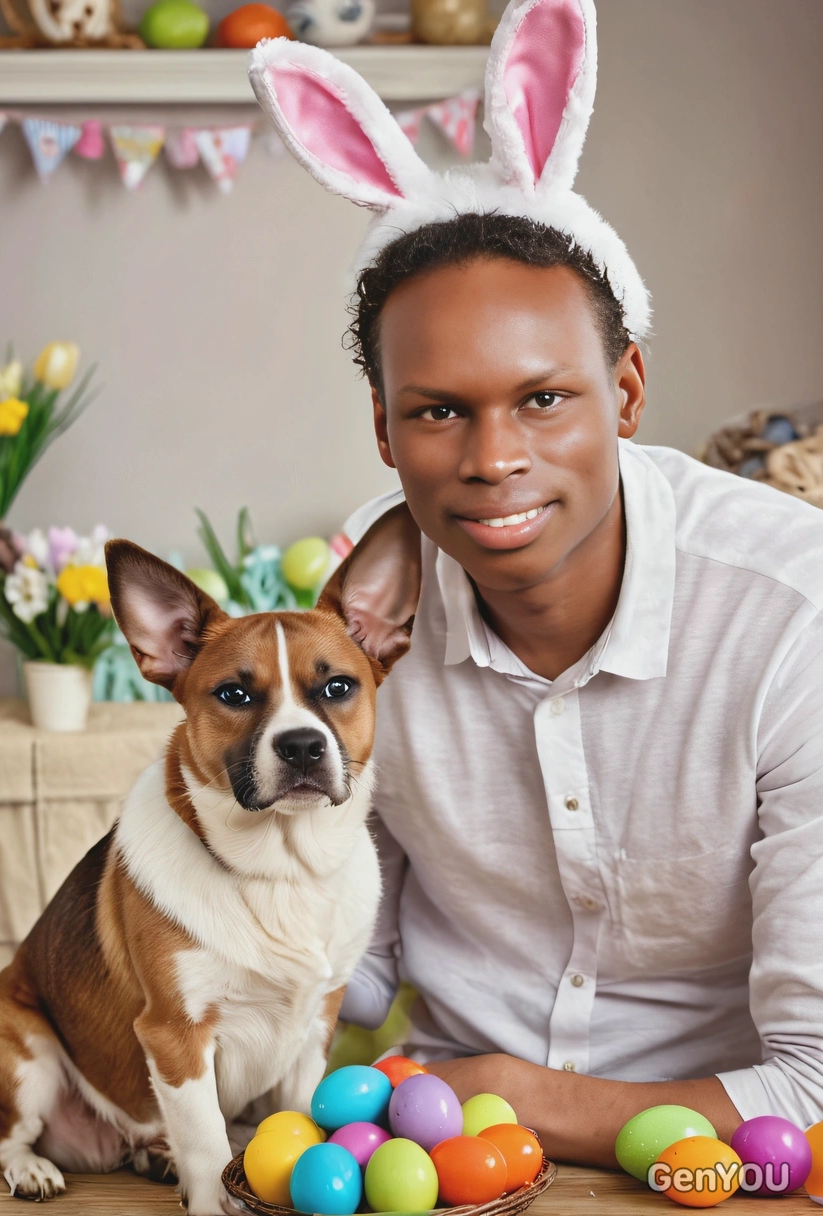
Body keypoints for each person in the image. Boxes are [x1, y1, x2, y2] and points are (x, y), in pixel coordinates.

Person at [248, 0, 823, 1166]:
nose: (492, 458)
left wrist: (506, 1092)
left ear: (627, 391)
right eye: (438, 412)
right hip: (430, 1148)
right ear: (383, 427)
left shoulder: (786, 616)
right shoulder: (360, 615)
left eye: (544, 399)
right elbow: (349, 953)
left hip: (722, 1153)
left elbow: (810, 1087)